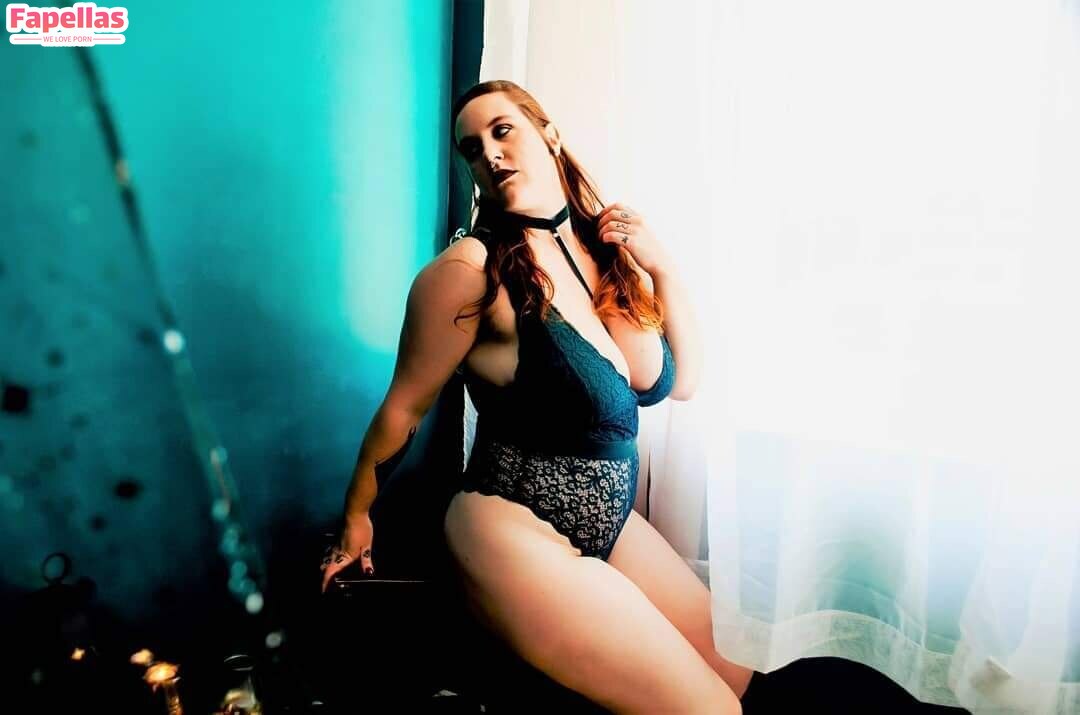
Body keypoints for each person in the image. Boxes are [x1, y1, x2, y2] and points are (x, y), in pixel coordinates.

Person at [320, 80, 756, 713]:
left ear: (548, 134)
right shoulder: (471, 270)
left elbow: (681, 383)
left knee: (735, 671)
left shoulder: (601, 254)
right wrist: (355, 520)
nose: (489, 154)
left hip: (607, 520)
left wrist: (661, 267)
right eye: (472, 149)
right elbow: (403, 408)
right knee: (712, 712)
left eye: (502, 131)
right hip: (508, 525)